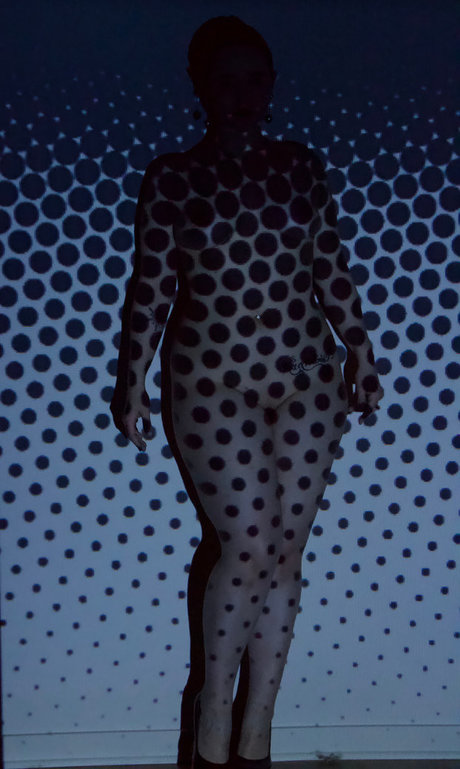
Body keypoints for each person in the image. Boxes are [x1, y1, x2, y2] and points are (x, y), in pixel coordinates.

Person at [110, 15, 384, 769]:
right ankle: (212, 715)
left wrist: (361, 350)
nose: (242, 96)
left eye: (255, 80)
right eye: (225, 81)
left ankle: (258, 730)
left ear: (272, 86)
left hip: (307, 380)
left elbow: (330, 265)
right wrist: (131, 379)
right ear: (200, 88)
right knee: (249, 543)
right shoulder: (174, 177)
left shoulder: (300, 166)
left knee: (287, 552)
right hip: (212, 381)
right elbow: (150, 288)